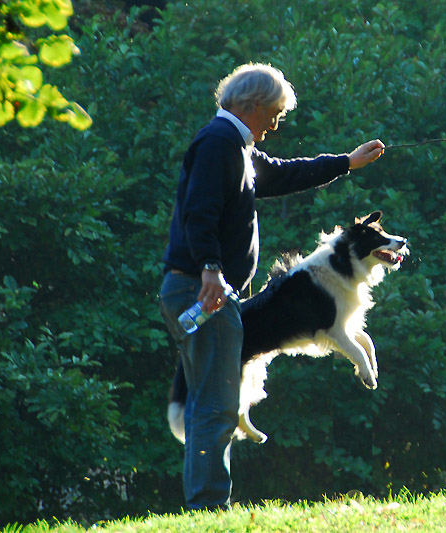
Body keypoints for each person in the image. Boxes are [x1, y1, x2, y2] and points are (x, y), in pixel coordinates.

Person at [158, 63, 385, 511]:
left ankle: (208, 503)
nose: (278, 124)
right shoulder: (218, 144)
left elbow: (283, 174)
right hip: (201, 290)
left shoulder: (236, 147)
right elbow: (198, 213)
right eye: (276, 113)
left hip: (213, 292)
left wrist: (346, 162)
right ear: (251, 106)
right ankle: (208, 507)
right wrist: (209, 268)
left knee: (215, 400)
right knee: (216, 404)